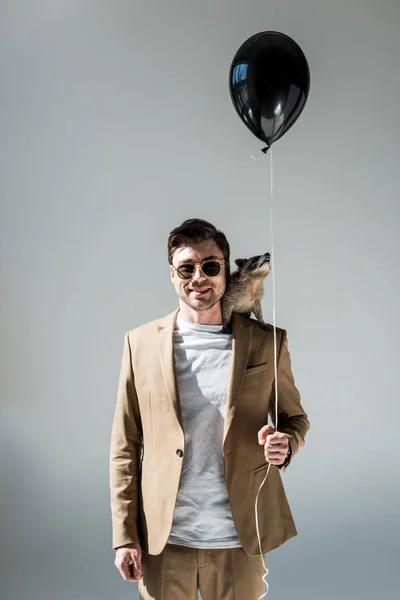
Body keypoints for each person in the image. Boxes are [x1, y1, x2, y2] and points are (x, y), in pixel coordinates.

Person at [110, 218, 310, 600]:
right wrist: (124, 535)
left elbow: (294, 419)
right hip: (164, 541)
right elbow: (124, 447)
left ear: (225, 270)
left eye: (210, 266)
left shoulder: (267, 343)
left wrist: (285, 443)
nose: (199, 277)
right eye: (187, 268)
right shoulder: (139, 344)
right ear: (172, 274)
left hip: (239, 538)